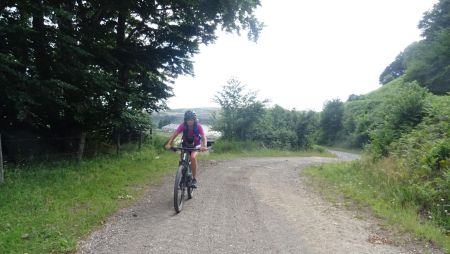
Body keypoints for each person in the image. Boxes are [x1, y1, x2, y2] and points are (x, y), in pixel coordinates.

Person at [165, 110, 207, 188]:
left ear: (194, 119)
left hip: (196, 145)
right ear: (185, 120)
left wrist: (203, 146)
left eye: (191, 119)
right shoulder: (183, 125)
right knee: (182, 161)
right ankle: (182, 176)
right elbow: (175, 134)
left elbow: (203, 137)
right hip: (185, 144)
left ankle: (194, 179)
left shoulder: (198, 126)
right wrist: (169, 143)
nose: (190, 121)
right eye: (188, 119)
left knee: (193, 157)